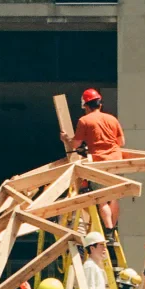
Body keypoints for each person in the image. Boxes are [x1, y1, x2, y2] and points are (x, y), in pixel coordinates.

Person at [60, 87, 125, 231]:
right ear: (100, 104)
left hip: (100, 162)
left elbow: (75, 144)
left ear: (86, 106)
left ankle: (108, 229)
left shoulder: (84, 121)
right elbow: (121, 142)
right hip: (117, 161)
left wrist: (66, 139)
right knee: (114, 196)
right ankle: (114, 226)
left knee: (101, 198)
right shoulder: (112, 119)